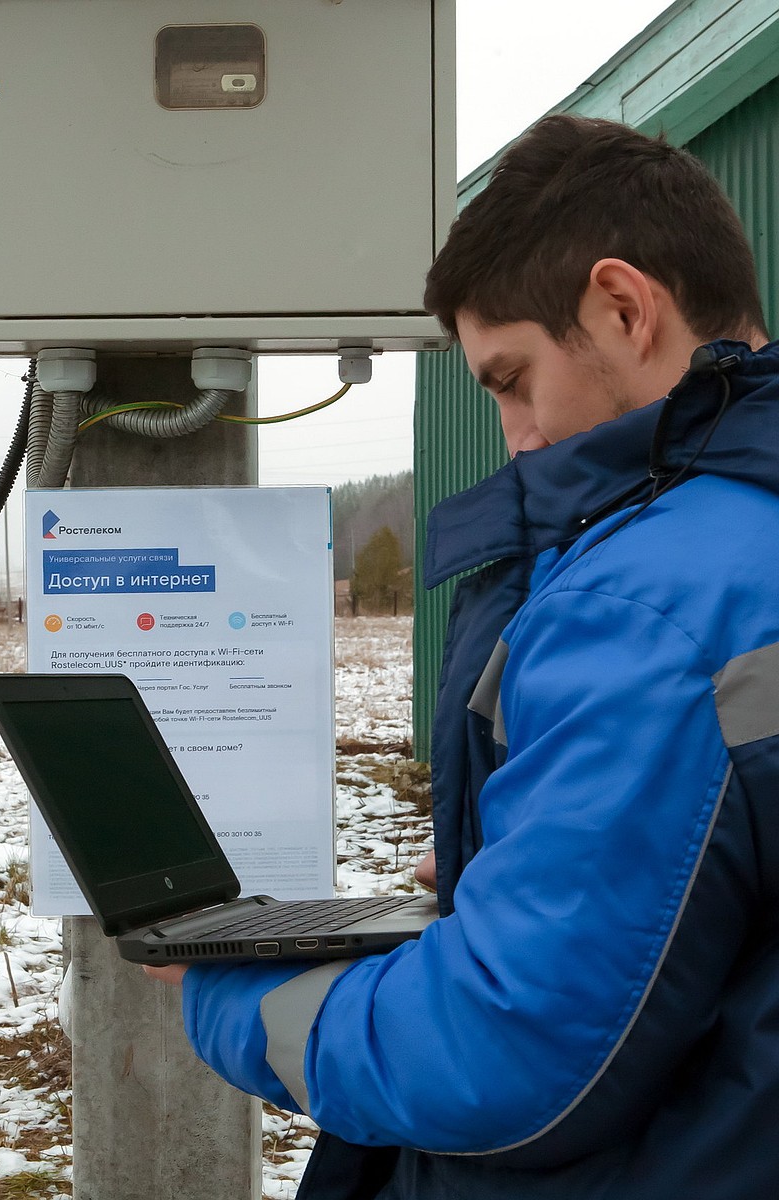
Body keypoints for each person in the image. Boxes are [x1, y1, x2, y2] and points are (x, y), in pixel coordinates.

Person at [144, 113, 779, 1199]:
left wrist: (226, 997)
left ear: (625, 310)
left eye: (512, 378)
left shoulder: (652, 602)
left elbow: (503, 1054)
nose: (516, 436)